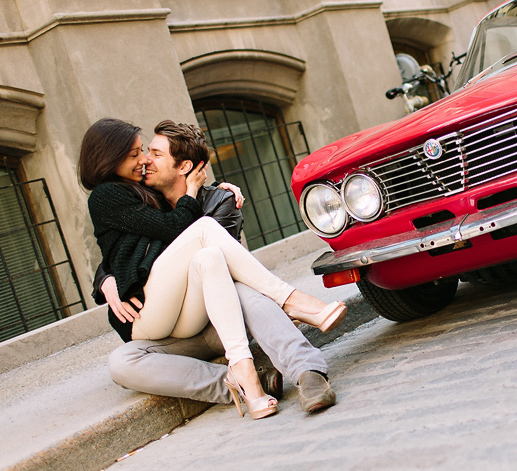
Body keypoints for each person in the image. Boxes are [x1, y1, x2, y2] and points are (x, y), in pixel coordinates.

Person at [80, 118, 344, 416]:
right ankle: (246, 381)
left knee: (236, 280)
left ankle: (307, 371)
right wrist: (105, 280)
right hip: (164, 326)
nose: (145, 162)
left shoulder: (218, 203)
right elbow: (119, 251)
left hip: (215, 318)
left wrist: (214, 193)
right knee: (121, 362)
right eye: (140, 154)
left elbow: (210, 261)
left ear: (184, 168)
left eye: (154, 155)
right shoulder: (139, 195)